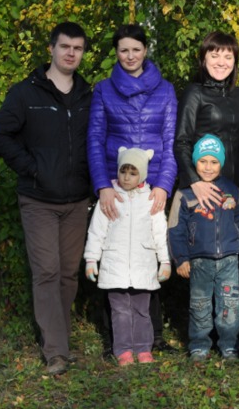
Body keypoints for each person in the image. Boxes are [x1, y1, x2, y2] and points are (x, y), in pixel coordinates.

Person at [0, 22, 91, 375]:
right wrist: (32, 168)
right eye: (65, 46)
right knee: (46, 271)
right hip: (38, 199)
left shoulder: (88, 95)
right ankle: (56, 351)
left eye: (77, 48)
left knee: (68, 274)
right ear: (51, 48)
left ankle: (59, 339)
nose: (71, 53)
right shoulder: (26, 93)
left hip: (76, 200)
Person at [87, 23, 177, 355]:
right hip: (116, 187)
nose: (130, 56)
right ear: (116, 52)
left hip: (151, 188)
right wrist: (102, 186)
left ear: (145, 50)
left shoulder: (165, 90)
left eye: (136, 49)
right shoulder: (103, 90)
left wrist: (164, 185)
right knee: (115, 254)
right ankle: (117, 341)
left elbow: (170, 141)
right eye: (123, 50)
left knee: (148, 253)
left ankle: (151, 339)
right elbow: (95, 140)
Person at [168, 135, 239, 361]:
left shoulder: (231, 190)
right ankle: (199, 344)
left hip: (228, 260)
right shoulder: (185, 193)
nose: (208, 167)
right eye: (203, 161)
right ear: (195, 162)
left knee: (230, 304)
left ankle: (229, 344)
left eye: (214, 162)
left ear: (221, 163)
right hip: (199, 261)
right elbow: (175, 229)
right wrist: (181, 258)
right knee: (200, 304)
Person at [83, 147, 171, 366]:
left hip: (143, 265)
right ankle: (123, 350)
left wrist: (165, 261)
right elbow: (96, 230)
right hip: (115, 265)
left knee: (142, 310)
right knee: (120, 310)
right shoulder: (109, 197)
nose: (126, 177)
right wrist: (91, 259)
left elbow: (159, 232)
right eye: (123, 171)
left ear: (142, 174)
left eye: (133, 173)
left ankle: (143, 348)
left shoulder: (151, 199)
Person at [175, 31, 239, 209]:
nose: (221, 62)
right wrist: (194, 181)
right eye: (214, 55)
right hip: (204, 187)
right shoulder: (194, 93)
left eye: (228, 57)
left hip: (235, 187)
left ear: (234, 62)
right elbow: (181, 142)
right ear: (204, 59)